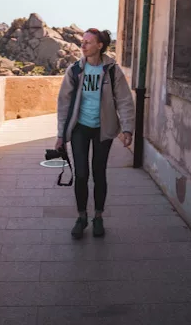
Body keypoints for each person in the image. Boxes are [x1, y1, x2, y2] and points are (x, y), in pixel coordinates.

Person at [56, 28, 135, 239]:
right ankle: (81, 217)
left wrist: (127, 128)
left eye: (88, 42)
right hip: (80, 128)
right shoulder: (74, 70)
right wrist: (61, 135)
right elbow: (63, 104)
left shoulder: (111, 71)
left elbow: (125, 101)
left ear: (100, 46)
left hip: (103, 128)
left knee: (99, 173)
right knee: (81, 174)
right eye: (83, 42)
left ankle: (98, 217)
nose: (83, 45)